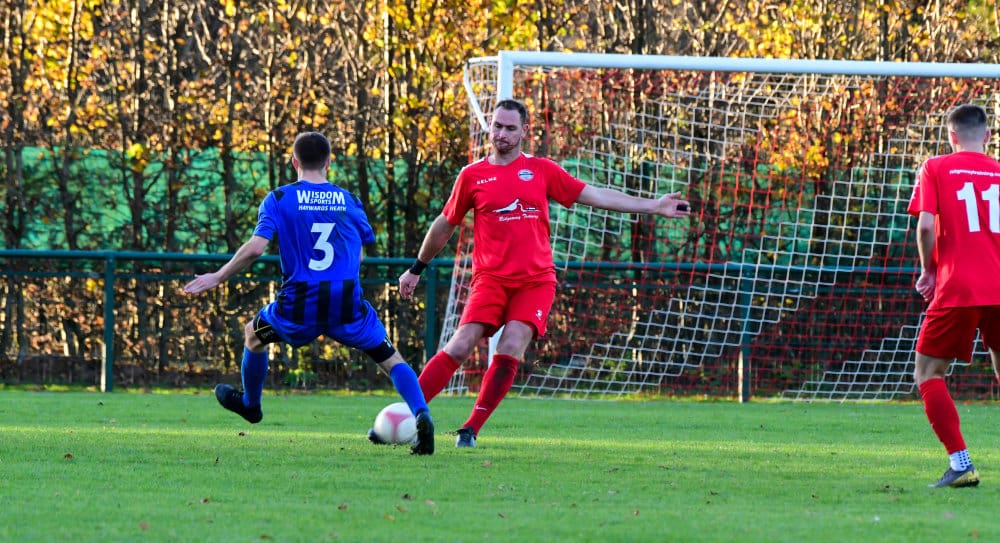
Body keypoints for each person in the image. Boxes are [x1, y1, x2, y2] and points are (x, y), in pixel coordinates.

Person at [393, 98, 691, 448]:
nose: (502, 134)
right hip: (490, 280)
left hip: (535, 281)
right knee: (460, 345)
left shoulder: (541, 170)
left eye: (510, 128)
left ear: (524, 131)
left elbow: (596, 195)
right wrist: (417, 268)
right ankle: (405, 417)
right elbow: (445, 224)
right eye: (497, 126)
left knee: (512, 344)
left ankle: (470, 429)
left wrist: (654, 205)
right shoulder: (471, 176)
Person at [184, 131, 435, 455]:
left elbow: (257, 248)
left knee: (253, 336)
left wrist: (218, 276)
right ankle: (421, 413)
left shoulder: (279, 199)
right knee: (391, 360)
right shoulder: (349, 201)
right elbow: (359, 252)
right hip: (345, 301)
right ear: (329, 163)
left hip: (299, 303)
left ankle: (251, 405)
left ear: (294, 162)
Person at [908, 103, 1000, 487]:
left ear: (951, 135)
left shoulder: (936, 167)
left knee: (928, 373)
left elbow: (926, 226)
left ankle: (961, 464)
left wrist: (929, 270)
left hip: (958, 285)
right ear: (988, 136)